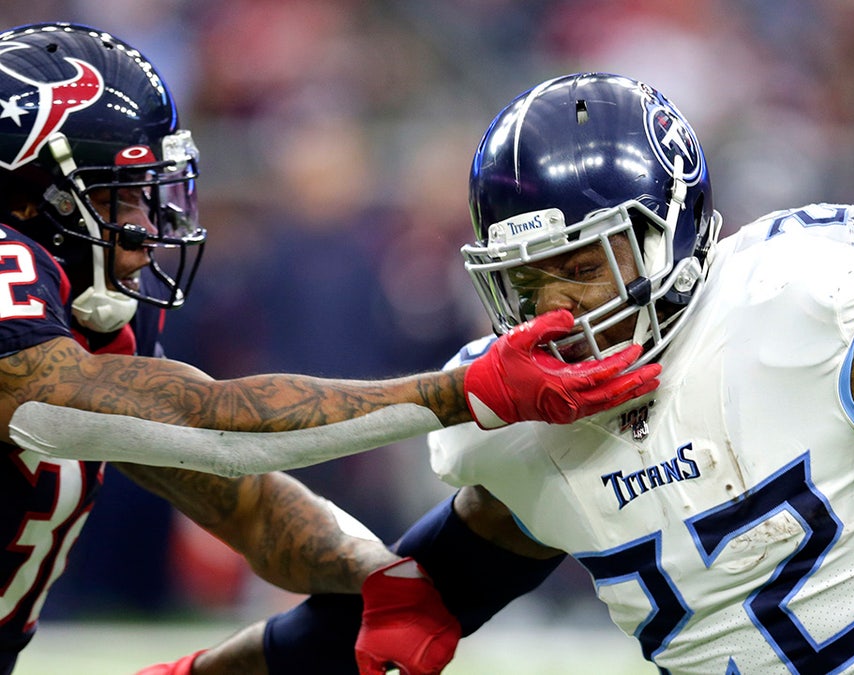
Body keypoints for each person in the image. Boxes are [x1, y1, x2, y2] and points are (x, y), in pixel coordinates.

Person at [148, 71, 854, 675]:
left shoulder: (803, 304)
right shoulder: (517, 431)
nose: (561, 308)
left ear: (679, 228)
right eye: (528, 278)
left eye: (585, 260)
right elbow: (403, 603)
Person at [0, 27, 660, 675]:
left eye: (148, 196)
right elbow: (209, 423)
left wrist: (379, 574)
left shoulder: (93, 311)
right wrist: (460, 392)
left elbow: (247, 504)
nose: (146, 230)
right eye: (116, 197)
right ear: (26, 199)